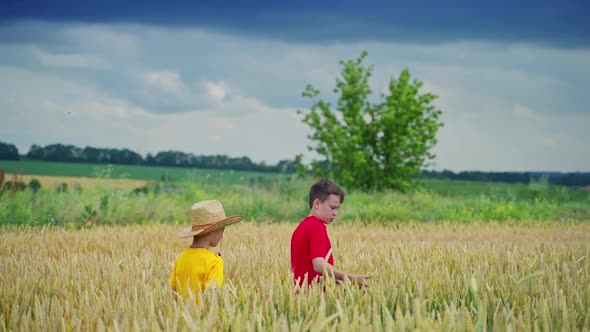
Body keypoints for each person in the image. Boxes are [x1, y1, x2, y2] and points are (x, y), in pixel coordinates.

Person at [290, 179, 371, 289]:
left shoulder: (301, 228)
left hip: (301, 297)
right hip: (317, 298)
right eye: (332, 208)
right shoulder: (316, 227)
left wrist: (333, 278)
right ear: (317, 203)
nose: (335, 213)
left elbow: (296, 266)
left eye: (337, 209)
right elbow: (318, 265)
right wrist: (349, 278)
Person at [170, 199, 242, 298]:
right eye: (222, 230)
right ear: (211, 231)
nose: (222, 235)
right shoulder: (214, 262)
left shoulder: (181, 258)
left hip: (180, 312)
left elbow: (173, 292)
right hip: (203, 313)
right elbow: (212, 298)